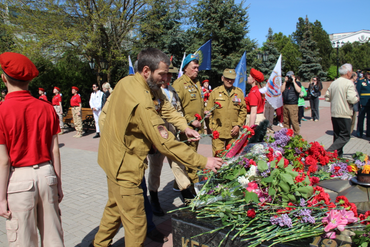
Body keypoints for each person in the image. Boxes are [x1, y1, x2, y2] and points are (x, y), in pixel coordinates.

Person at [92, 48, 222, 247]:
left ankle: (99, 244)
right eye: (162, 74)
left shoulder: (130, 82)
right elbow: (165, 142)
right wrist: (204, 161)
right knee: (136, 224)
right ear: (146, 70)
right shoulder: (142, 101)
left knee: (115, 206)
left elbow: (166, 107)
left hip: (110, 159)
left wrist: (184, 127)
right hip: (124, 167)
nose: (165, 78)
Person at [0, 52, 64, 246]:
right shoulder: (46, 108)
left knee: (23, 240)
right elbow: (55, 151)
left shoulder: (2, 110)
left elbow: (3, 160)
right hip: (47, 174)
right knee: (53, 237)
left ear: (4, 78)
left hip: (19, 179)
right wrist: (58, 184)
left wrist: (1, 198)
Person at [147, 62, 193, 215]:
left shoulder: (172, 90)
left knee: (178, 164)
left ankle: (187, 195)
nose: (169, 77)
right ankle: (153, 197)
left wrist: (183, 129)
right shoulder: (152, 90)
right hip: (156, 137)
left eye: (171, 74)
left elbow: (178, 111)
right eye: (167, 74)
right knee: (155, 169)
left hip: (171, 134)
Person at [172, 54, 204, 192]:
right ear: (185, 68)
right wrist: (190, 121)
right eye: (194, 67)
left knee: (190, 155)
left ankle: (178, 184)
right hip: (187, 129)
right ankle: (193, 188)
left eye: (198, 67)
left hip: (196, 128)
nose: (197, 70)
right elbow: (175, 109)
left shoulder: (196, 83)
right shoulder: (179, 85)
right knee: (191, 158)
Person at [206, 68, 247, 156]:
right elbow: (208, 112)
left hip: (233, 131)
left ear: (234, 79)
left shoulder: (239, 93)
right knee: (218, 157)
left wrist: (238, 125)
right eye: (227, 78)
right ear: (222, 78)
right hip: (218, 131)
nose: (229, 81)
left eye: (231, 79)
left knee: (231, 158)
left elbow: (243, 111)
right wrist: (211, 127)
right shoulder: (215, 92)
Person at [325, 63, 358, 157]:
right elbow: (352, 99)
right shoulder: (348, 83)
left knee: (337, 136)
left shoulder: (334, 83)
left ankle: (337, 157)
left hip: (334, 113)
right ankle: (329, 151)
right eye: (351, 71)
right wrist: (356, 98)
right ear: (348, 72)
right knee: (345, 136)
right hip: (344, 113)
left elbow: (327, 97)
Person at [356, 69, 370, 138]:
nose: (369, 76)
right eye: (368, 74)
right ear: (366, 74)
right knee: (361, 118)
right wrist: (359, 102)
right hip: (363, 102)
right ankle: (359, 133)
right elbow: (357, 92)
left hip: (369, 103)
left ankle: (369, 133)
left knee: (369, 119)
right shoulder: (361, 81)